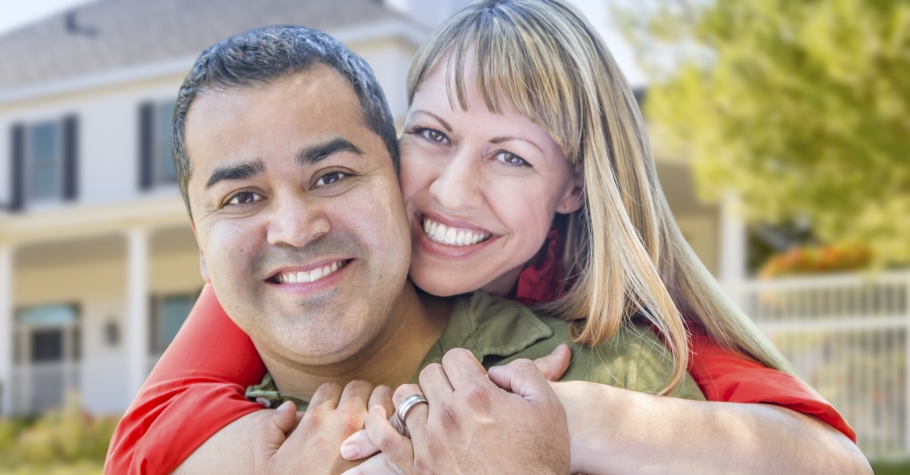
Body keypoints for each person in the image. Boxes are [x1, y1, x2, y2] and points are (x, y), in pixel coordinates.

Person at [106, 1, 868, 474]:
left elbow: (830, 465)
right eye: (433, 135)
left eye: (511, 156)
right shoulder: (265, 306)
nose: (450, 189)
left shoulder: (610, 358)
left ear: (575, 188)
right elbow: (142, 438)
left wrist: (567, 419)